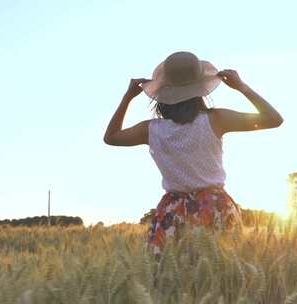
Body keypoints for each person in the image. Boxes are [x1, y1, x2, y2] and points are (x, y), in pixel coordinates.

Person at [103, 51, 283, 255]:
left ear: (162, 92)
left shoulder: (151, 129)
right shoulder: (217, 119)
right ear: (201, 89)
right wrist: (241, 86)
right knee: (221, 276)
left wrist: (128, 97)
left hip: (172, 212)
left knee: (167, 278)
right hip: (214, 208)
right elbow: (273, 119)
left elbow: (112, 137)